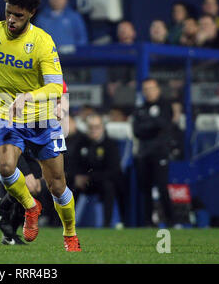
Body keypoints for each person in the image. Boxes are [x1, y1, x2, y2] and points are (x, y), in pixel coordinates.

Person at [0, 0, 81, 251]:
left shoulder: (43, 42)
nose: (12, 20)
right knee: (4, 167)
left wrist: (29, 97)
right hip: (6, 115)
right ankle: (30, 207)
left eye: (19, 15)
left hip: (41, 120)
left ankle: (70, 234)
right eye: (9, 12)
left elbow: (55, 87)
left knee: (57, 186)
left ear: (32, 14)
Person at [70, 114, 125, 228]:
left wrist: (90, 177)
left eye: (97, 127)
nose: (93, 130)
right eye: (91, 127)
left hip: (101, 180)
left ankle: (107, 224)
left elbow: (114, 170)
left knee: (109, 186)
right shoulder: (81, 143)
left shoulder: (110, 145)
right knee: (67, 186)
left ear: (102, 128)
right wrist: (76, 176)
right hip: (83, 181)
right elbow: (73, 163)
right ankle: (62, 223)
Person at [133, 78, 175, 227]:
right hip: (144, 153)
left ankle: (171, 220)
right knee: (145, 188)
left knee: (162, 186)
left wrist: (149, 123)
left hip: (160, 152)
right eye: (145, 89)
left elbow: (164, 124)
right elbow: (137, 130)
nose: (148, 92)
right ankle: (148, 222)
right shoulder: (141, 107)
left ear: (157, 89)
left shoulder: (165, 105)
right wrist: (152, 123)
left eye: (151, 88)